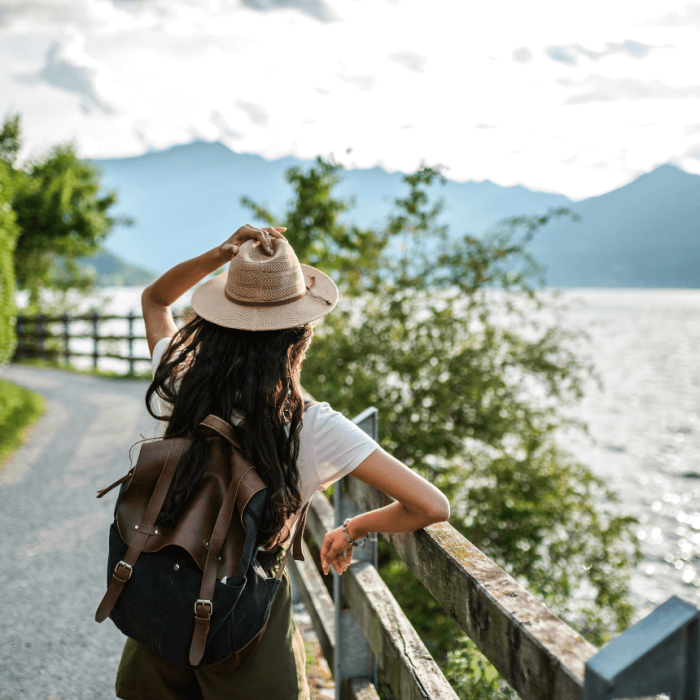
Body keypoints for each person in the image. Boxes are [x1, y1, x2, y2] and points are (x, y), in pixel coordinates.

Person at [115, 224, 450, 700]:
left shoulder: (181, 380)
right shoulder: (314, 427)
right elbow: (430, 505)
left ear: (215, 321)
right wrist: (351, 528)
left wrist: (223, 253)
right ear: (300, 334)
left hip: (162, 598)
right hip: (246, 617)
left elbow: (155, 299)